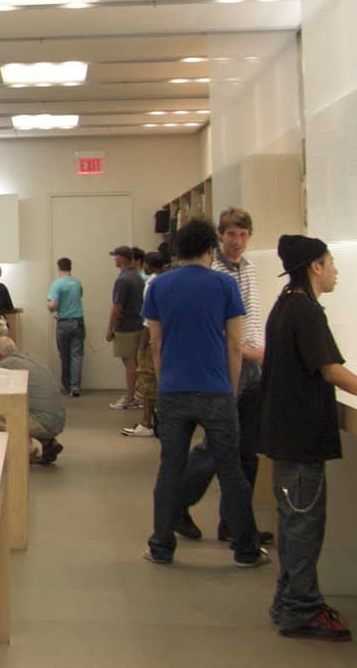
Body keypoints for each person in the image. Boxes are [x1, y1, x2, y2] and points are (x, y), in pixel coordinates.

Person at [258, 234, 357, 640]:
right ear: (315, 266)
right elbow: (331, 369)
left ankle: (289, 600)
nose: (335, 270)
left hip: (287, 435)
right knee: (304, 526)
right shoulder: (305, 311)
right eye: (331, 262)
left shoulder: (287, 304)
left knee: (295, 523)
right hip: (300, 439)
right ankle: (302, 610)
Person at [141, 218, 266, 568]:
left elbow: (155, 342)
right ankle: (245, 549)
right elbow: (235, 346)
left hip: (173, 390)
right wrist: (233, 389)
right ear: (211, 249)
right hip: (216, 390)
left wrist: (166, 380)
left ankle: (161, 546)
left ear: (179, 250)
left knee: (170, 468)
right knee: (231, 470)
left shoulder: (159, 286)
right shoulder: (225, 285)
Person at [180, 208, 267, 543]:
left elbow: (252, 318)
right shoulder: (213, 273)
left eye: (244, 235)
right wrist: (247, 352)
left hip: (253, 366)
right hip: (227, 364)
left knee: (247, 450)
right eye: (232, 234)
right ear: (220, 236)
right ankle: (176, 503)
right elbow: (218, 328)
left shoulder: (249, 269)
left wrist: (257, 352)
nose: (238, 241)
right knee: (217, 445)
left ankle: (235, 522)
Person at [0, 336, 67, 465]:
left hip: (43, 422)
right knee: (25, 408)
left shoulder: (4, 364)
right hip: (57, 420)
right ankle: (48, 443)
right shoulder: (29, 359)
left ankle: (24, 450)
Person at [122, 252, 165, 438]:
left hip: (152, 338)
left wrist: (142, 346)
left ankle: (147, 422)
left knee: (147, 380)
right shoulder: (167, 281)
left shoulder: (151, 284)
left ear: (147, 265)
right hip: (168, 339)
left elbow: (149, 319)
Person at [106, 245, 146, 411]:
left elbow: (117, 307)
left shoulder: (122, 280)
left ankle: (130, 397)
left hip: (126, 327)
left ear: (122, 258)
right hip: (139, 324)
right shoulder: (137, 277)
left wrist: (110, 328)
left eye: (115, 256)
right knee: (136, 362)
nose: (114, 259)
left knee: (129, 362)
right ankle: (137, 394)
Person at [47, 258, 85, 396]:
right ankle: (75, 387)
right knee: (77, 355)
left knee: (65, 356)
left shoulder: (57, 284)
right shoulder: (77, 283)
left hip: (63, 323)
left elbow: (52, 305)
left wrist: (50, 308)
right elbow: (79, 296)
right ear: (70, 267)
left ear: (58, 267)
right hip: (78, 321)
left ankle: (67, 385)